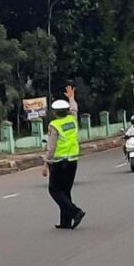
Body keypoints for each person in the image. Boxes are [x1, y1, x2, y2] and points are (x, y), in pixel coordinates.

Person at [43, 85, 85, 230]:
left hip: (59, 162)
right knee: (65, 190)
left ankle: (75, 211)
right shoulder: (72, 119)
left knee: (54, 190)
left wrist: (45, 164)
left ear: (55, 113)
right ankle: (65, 222)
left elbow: (51, 147)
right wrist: (71, 97)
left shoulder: (54, 125)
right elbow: (74, 108)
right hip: (73, 160)